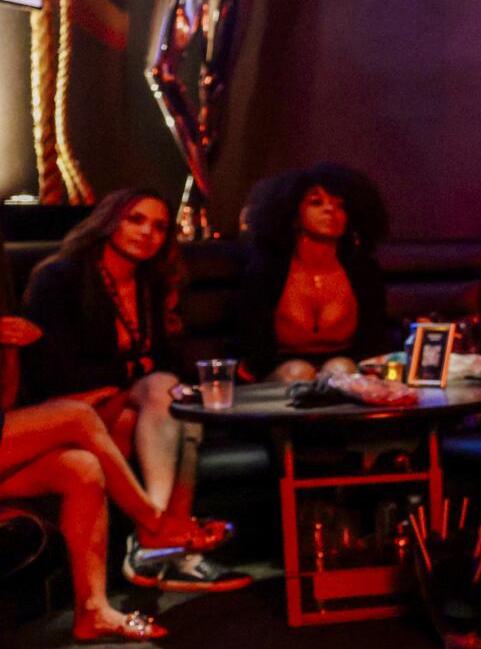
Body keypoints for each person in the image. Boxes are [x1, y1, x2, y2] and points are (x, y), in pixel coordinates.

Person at [22, 189, 247, 593]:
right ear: (109, 221)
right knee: (164, 395)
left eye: (159, 226)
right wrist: (133, 369)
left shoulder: (154, 282)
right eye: (135, 220)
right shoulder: (60, 276)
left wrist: (144, 373)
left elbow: (167, 362)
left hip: (130, 401)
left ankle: (161, 543)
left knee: (182, 409)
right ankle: (157, 531)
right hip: (69, 404)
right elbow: (52, 369)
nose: (148, 233)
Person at [238, 162, 390, 381]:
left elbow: (373, 342)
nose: (330, 210)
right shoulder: (267, 269)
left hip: (345, 375)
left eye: (341, 206)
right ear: (293, 213)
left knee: (342, 369)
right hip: (278, 375)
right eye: (316, 202)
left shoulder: (364, 271)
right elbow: (253, 345)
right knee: (298, 372)